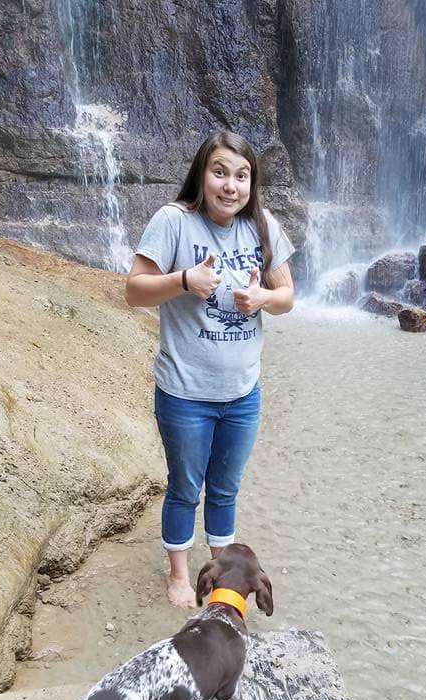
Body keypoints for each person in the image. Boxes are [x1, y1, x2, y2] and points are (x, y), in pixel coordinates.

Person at [125, 131, 295, 608]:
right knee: (185, 487)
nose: (230, 185)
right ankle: (179, 574)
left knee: (225, 488)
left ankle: (222, 574)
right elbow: (134, 291)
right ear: (202, 174)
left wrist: (262, 298)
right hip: (185, 391)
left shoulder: (263, 225)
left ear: (251, 183)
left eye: (241, 176)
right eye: (220, 172)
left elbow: (286, 297)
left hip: (242, 392)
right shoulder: (174, 222)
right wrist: (184, 280)